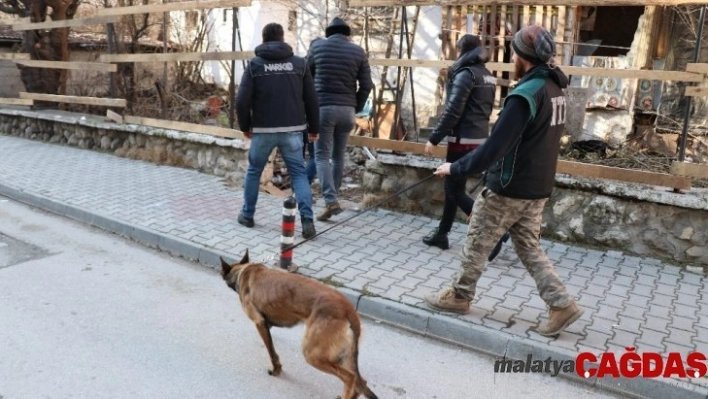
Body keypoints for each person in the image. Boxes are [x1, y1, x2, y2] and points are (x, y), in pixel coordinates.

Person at [424, 25, 584, 337]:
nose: (512, 56)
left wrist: (454, 169)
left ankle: (459, 295)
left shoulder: (524, 95)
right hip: (537, 187)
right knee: (528, 248)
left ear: (524, 58)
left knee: (477, 237)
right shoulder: (555, 89)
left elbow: (494, 147)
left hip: (509, 186)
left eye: (514, 51)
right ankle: (561, 304)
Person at [422, 34, 509, 262]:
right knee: (454, 187)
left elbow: (453, 111)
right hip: (479, 138)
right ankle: (442, 233)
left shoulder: (465, 74)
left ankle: (493, 234)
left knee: (454, 191)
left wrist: (433, 138)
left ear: (462, 50)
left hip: (462, 140)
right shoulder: (487, 75)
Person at [236, 23, 319, 239]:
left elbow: (241, 101)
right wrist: (314, 129)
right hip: (293, 130)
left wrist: (245, 126)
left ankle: (247, 215)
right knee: (299, 173)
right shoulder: (300, 64)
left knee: (254, 171)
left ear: (263, 40)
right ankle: (308, 222)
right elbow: (312, 99)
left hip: (263, 130)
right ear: (282, 39)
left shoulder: (255, 65)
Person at [307, 17, 374, 221]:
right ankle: (333, 199)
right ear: (347, 34)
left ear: (329, 33)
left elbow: (306, 78)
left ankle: (330, 200)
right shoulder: (358, 51)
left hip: (324, 109)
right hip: (347, 112)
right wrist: (356, 106)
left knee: (321, 156)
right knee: (338, 157)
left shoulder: (317, 47)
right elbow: (367, 85)